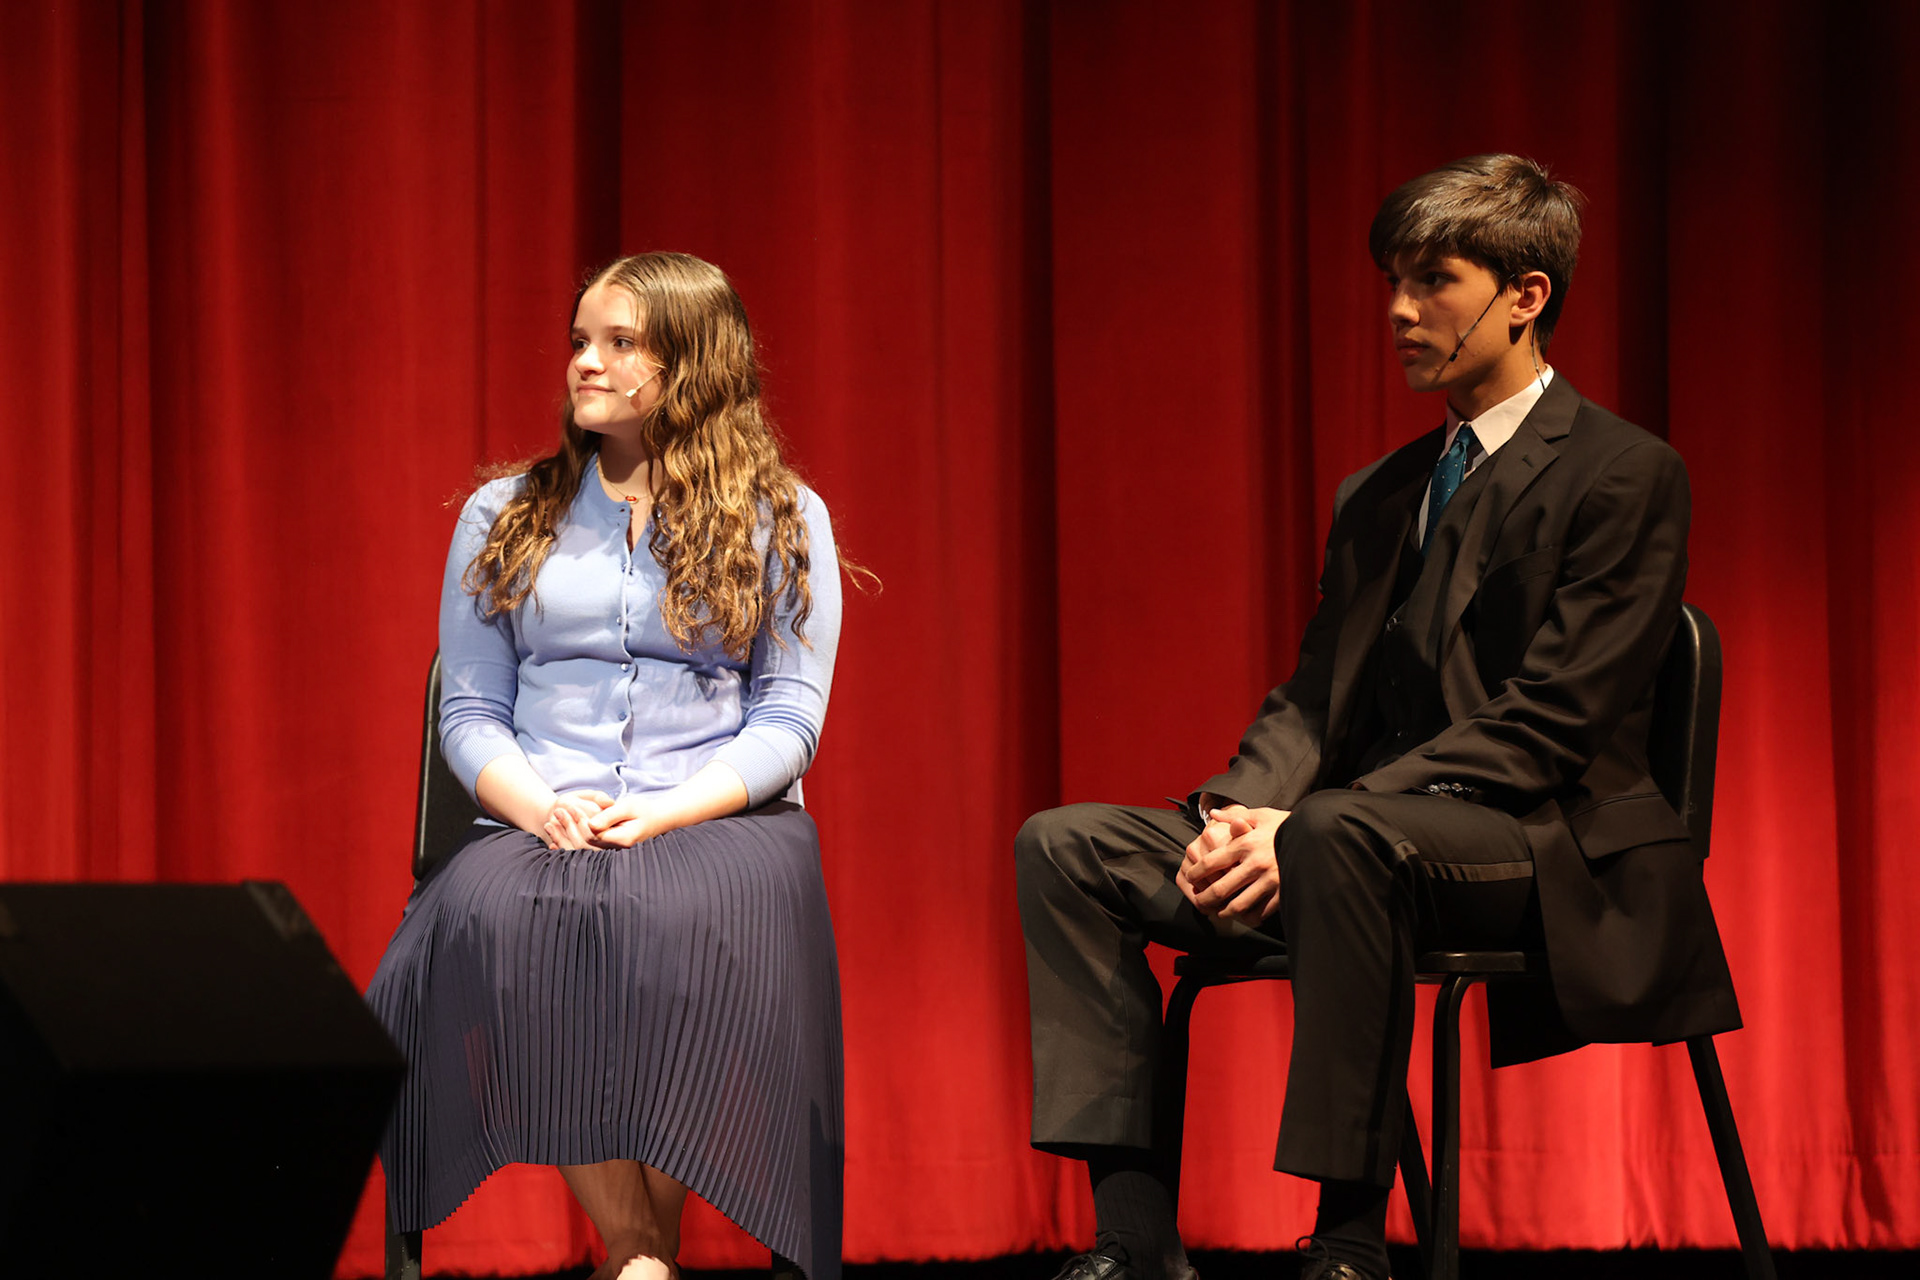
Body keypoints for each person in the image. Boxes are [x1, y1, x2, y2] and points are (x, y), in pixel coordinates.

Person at [1016, 155, 1740, 1280]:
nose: (1400, 312)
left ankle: (1349, 1241)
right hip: (1355, 838)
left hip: (1543, 842)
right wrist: (1238, 814)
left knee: (1338, 834)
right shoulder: (1382, 492)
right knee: (1067, 844)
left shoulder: (1624, 473)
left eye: (1434, 281)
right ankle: (1133, 1240)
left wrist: (1309, 826)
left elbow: (1552, 718)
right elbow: (1313, 698)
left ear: (1526, 295)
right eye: (1393, 283)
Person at [368, 252, 847, 1280]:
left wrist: (672, 811)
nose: (585, 362)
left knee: (666, 918)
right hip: (542, 814)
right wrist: (537, 804)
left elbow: (788, 719)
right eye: (580, 339)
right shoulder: (504, 515)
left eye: (620, 342)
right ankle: (640, 1254)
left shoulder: (783, 517)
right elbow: (471, 708)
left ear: (694, 363)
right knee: (513, 919)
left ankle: (635, 1255)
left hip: (722, 819)